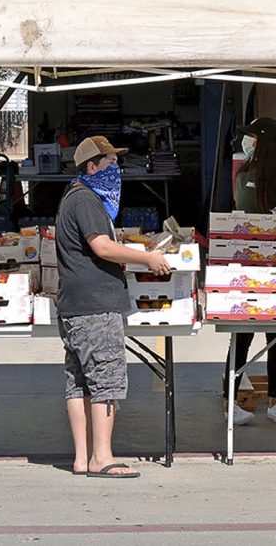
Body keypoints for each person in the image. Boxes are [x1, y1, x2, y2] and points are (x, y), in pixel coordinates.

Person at [56, 135, 171, 478]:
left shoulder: (73, 198)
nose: (116, 170)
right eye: (109, 164)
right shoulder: (87, 200)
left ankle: (82, 458)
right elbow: (102, 247)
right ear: (91, 167)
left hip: (75, 305)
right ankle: (102, 457)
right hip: (96, 304)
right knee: (105, 378)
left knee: (79, 382)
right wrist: (147, 257)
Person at [223, 117, 276, 426]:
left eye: (253, 139)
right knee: (247, 337)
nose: (248, 144)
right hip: (249, 267)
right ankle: (244, 402)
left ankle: (269, 402)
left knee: (270, 337)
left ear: (264, 142)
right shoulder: (246, 174)